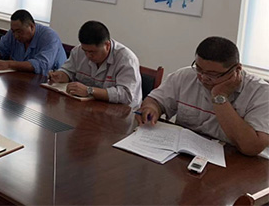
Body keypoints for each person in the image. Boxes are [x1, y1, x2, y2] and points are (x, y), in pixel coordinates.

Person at [136, 36, 269, 156]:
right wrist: (151, 108)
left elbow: (252, 147)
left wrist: (219, 96)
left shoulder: (261, 93)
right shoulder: (185, 76)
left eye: (213, 74)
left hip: (237, 163)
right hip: (186, 154)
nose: (203, 78)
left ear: (237, 70)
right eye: (199, 69)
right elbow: (155, 101)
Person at [48, 21, 142, 108]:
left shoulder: (126, 59)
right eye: (85, 51)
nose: (88, 55)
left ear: (107, 45)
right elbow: (68, 71)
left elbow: (126, 95)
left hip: (122, 112)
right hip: (89, 106)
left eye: (92, 52)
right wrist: (61, 75)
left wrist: (89, 91)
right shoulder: (78, 51)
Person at [0, 9, 66, 74]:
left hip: (49, 83)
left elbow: (41, 65)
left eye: (19, 32)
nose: (15, 35)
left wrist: (10, 64)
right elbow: (0, 48)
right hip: (22, 78)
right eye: (13, 31)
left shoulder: (49, 37)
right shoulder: (13, 32)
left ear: (31, 27)